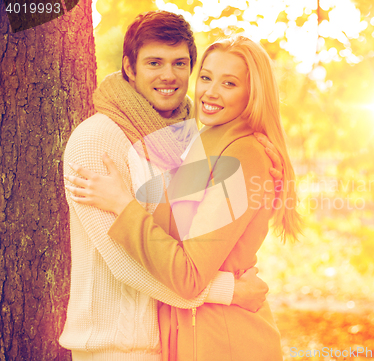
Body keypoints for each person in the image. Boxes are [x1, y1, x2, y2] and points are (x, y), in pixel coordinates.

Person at [59, 11, 283, 361]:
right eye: (154, 63)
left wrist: (251, 145)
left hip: (175, 341)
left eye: (180, 63)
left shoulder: (195, 140)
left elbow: (199, 241)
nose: (168, 75)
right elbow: (125, 262)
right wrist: (230, 291)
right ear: (129, 68)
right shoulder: (96, 141)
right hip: (115, 347)